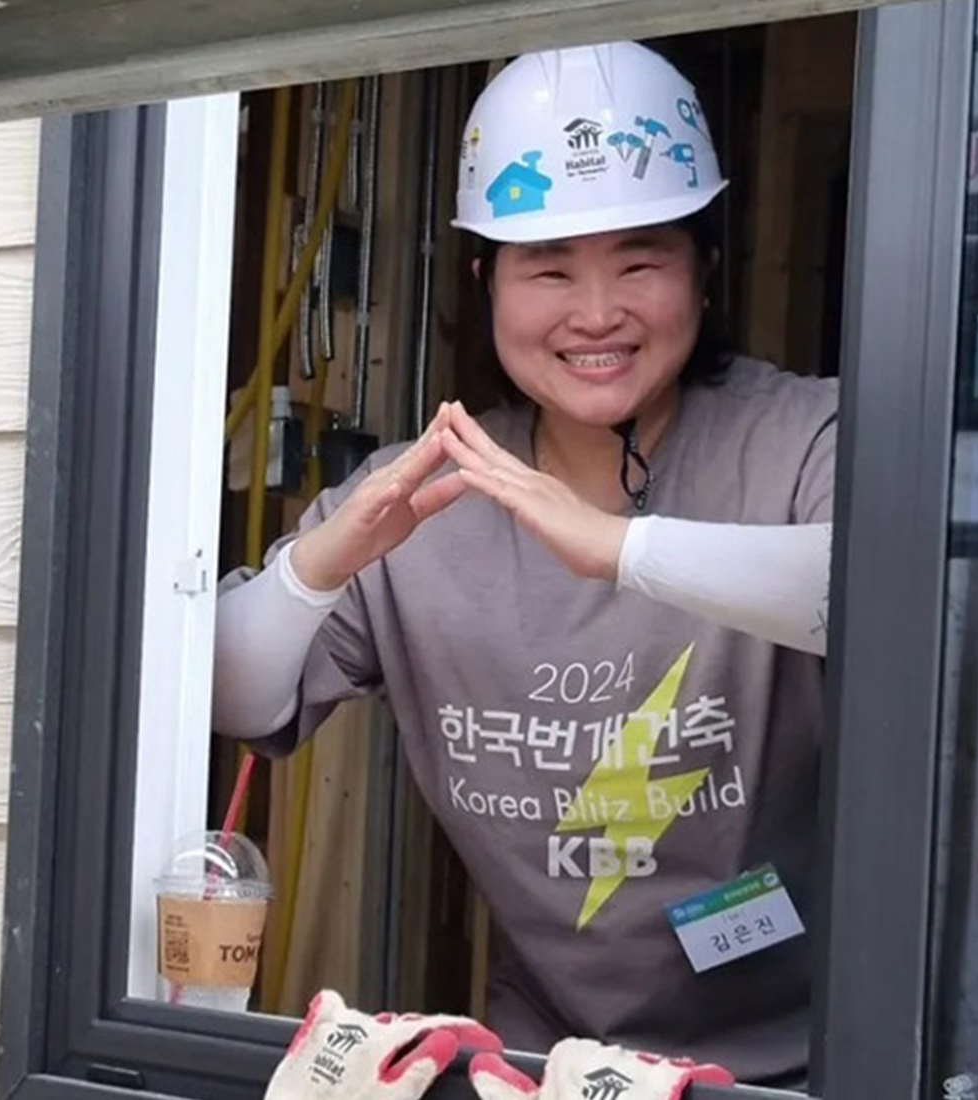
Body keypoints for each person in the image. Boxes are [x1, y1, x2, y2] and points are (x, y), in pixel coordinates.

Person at [214, 41, 835, 1089]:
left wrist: (618, 546)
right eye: (547, 267)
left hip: (796, 1058)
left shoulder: (799, 439)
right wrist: (323, 562)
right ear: (483, 280)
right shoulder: (426, 498)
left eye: (639, 258)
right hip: (551, 1064)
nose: (595, 312)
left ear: (705, 267)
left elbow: (908, 598)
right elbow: (233, 691)